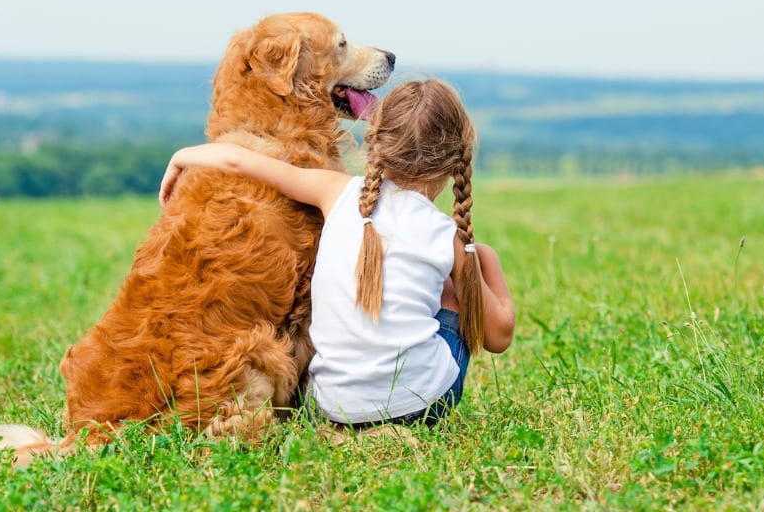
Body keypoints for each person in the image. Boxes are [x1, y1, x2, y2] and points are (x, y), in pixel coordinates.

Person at [159, 79, 515, 427]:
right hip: (421, 407)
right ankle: (404, 388)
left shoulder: (334, 191)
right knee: (453, 288)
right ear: (457, 159)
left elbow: (237, 160)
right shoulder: (446, 236)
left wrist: (180, 157)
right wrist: (482, 258)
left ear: (374, 142)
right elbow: (498, 336)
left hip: (329, 406)